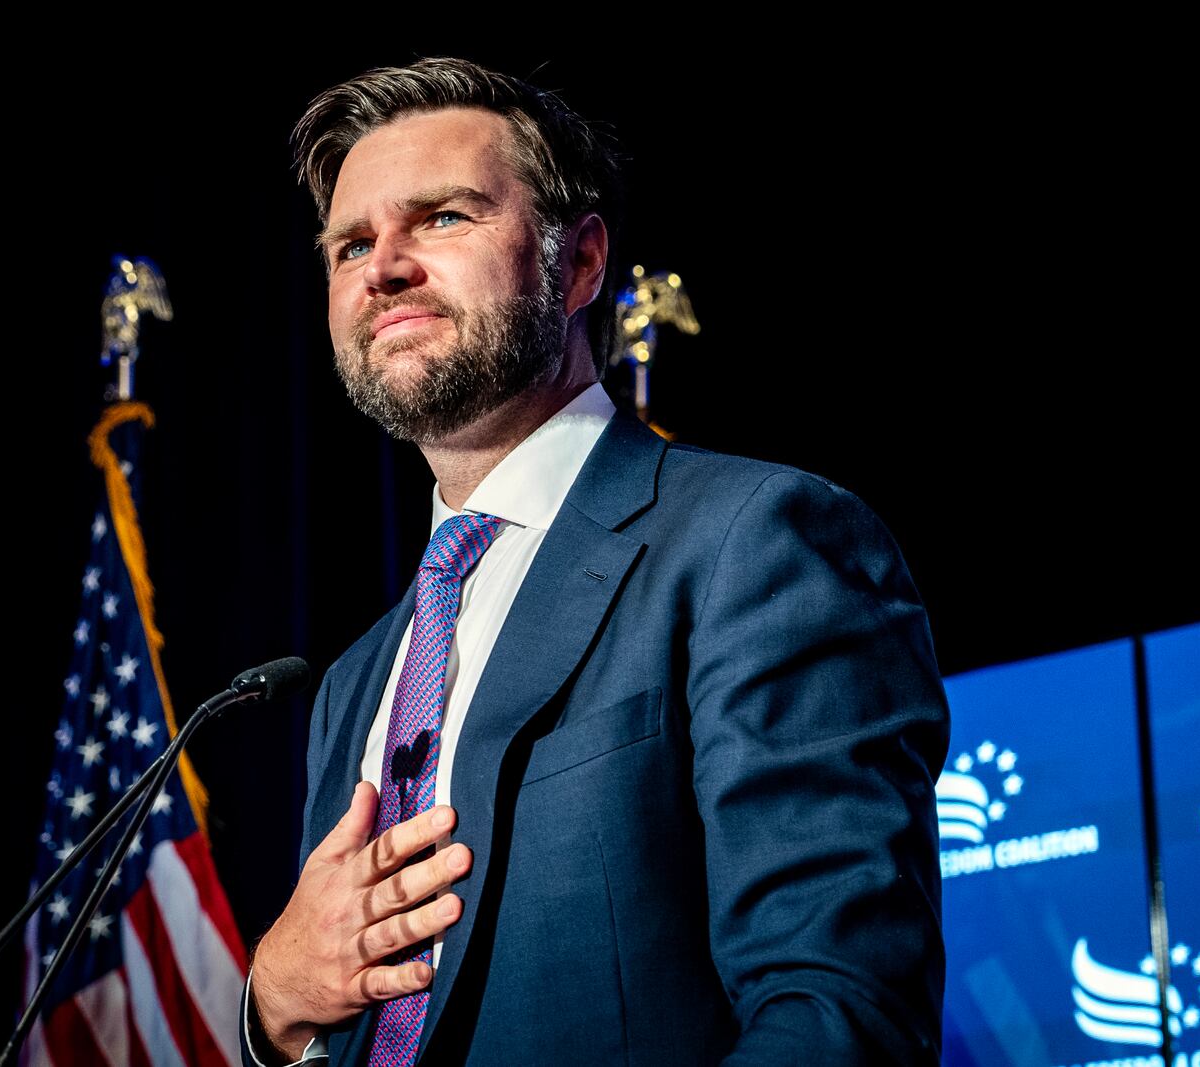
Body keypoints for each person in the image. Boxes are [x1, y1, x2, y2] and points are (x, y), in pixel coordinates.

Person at [243, 56, 949, 1066]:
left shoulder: (755, 541)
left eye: (441, 217)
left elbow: (837, 1013)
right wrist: (272, 1009)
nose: (383, 264)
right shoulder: (352, 683)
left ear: (575, 265)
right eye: (351, 242)